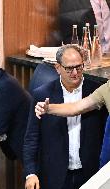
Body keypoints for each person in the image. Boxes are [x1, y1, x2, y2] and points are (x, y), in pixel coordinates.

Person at [24, 44, 107, 189]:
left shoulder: (97, 92)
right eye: (69, 68)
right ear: (58, 68)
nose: (75, 72)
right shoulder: (42, 95)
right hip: (55, 175)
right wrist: (30, 173)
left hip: (89, 173)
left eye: (79, 67)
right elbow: (31, 138)